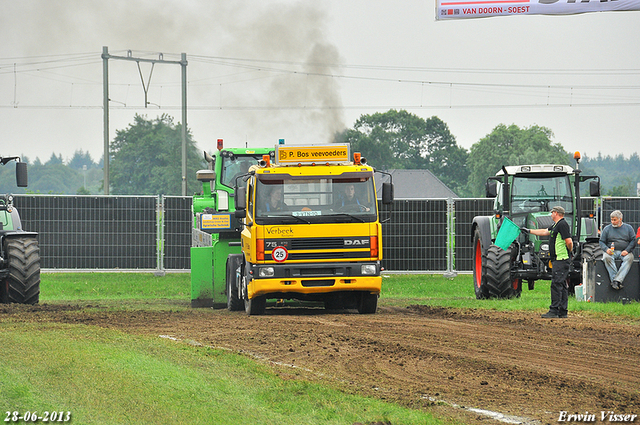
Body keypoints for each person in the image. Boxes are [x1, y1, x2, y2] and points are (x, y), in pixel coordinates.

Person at [522, 206, 573, 319]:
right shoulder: (556, 225)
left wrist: (569, 251)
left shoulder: (562, 224)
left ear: (556, 213)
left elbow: (569, 241)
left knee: (556, 284)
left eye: (552, 213)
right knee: (562, 285)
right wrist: (529, 231)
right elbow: (545, 231)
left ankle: (554, 310)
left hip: (561, 259)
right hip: (558, 259)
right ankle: (562, 311)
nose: (551, 215)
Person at [599, 210, 636, 290]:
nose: (613, 222)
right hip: (611, 251)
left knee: (630, 258)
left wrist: (627, 250)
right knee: (606, 257)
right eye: (611, 220)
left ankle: (615, 281)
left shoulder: (628, 228)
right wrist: (606, 249)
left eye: (614, 220)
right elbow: (601, 242)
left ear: (620, 219)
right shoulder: (607, 229)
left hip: (624, 251)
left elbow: (633, 241)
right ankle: (616, 281)